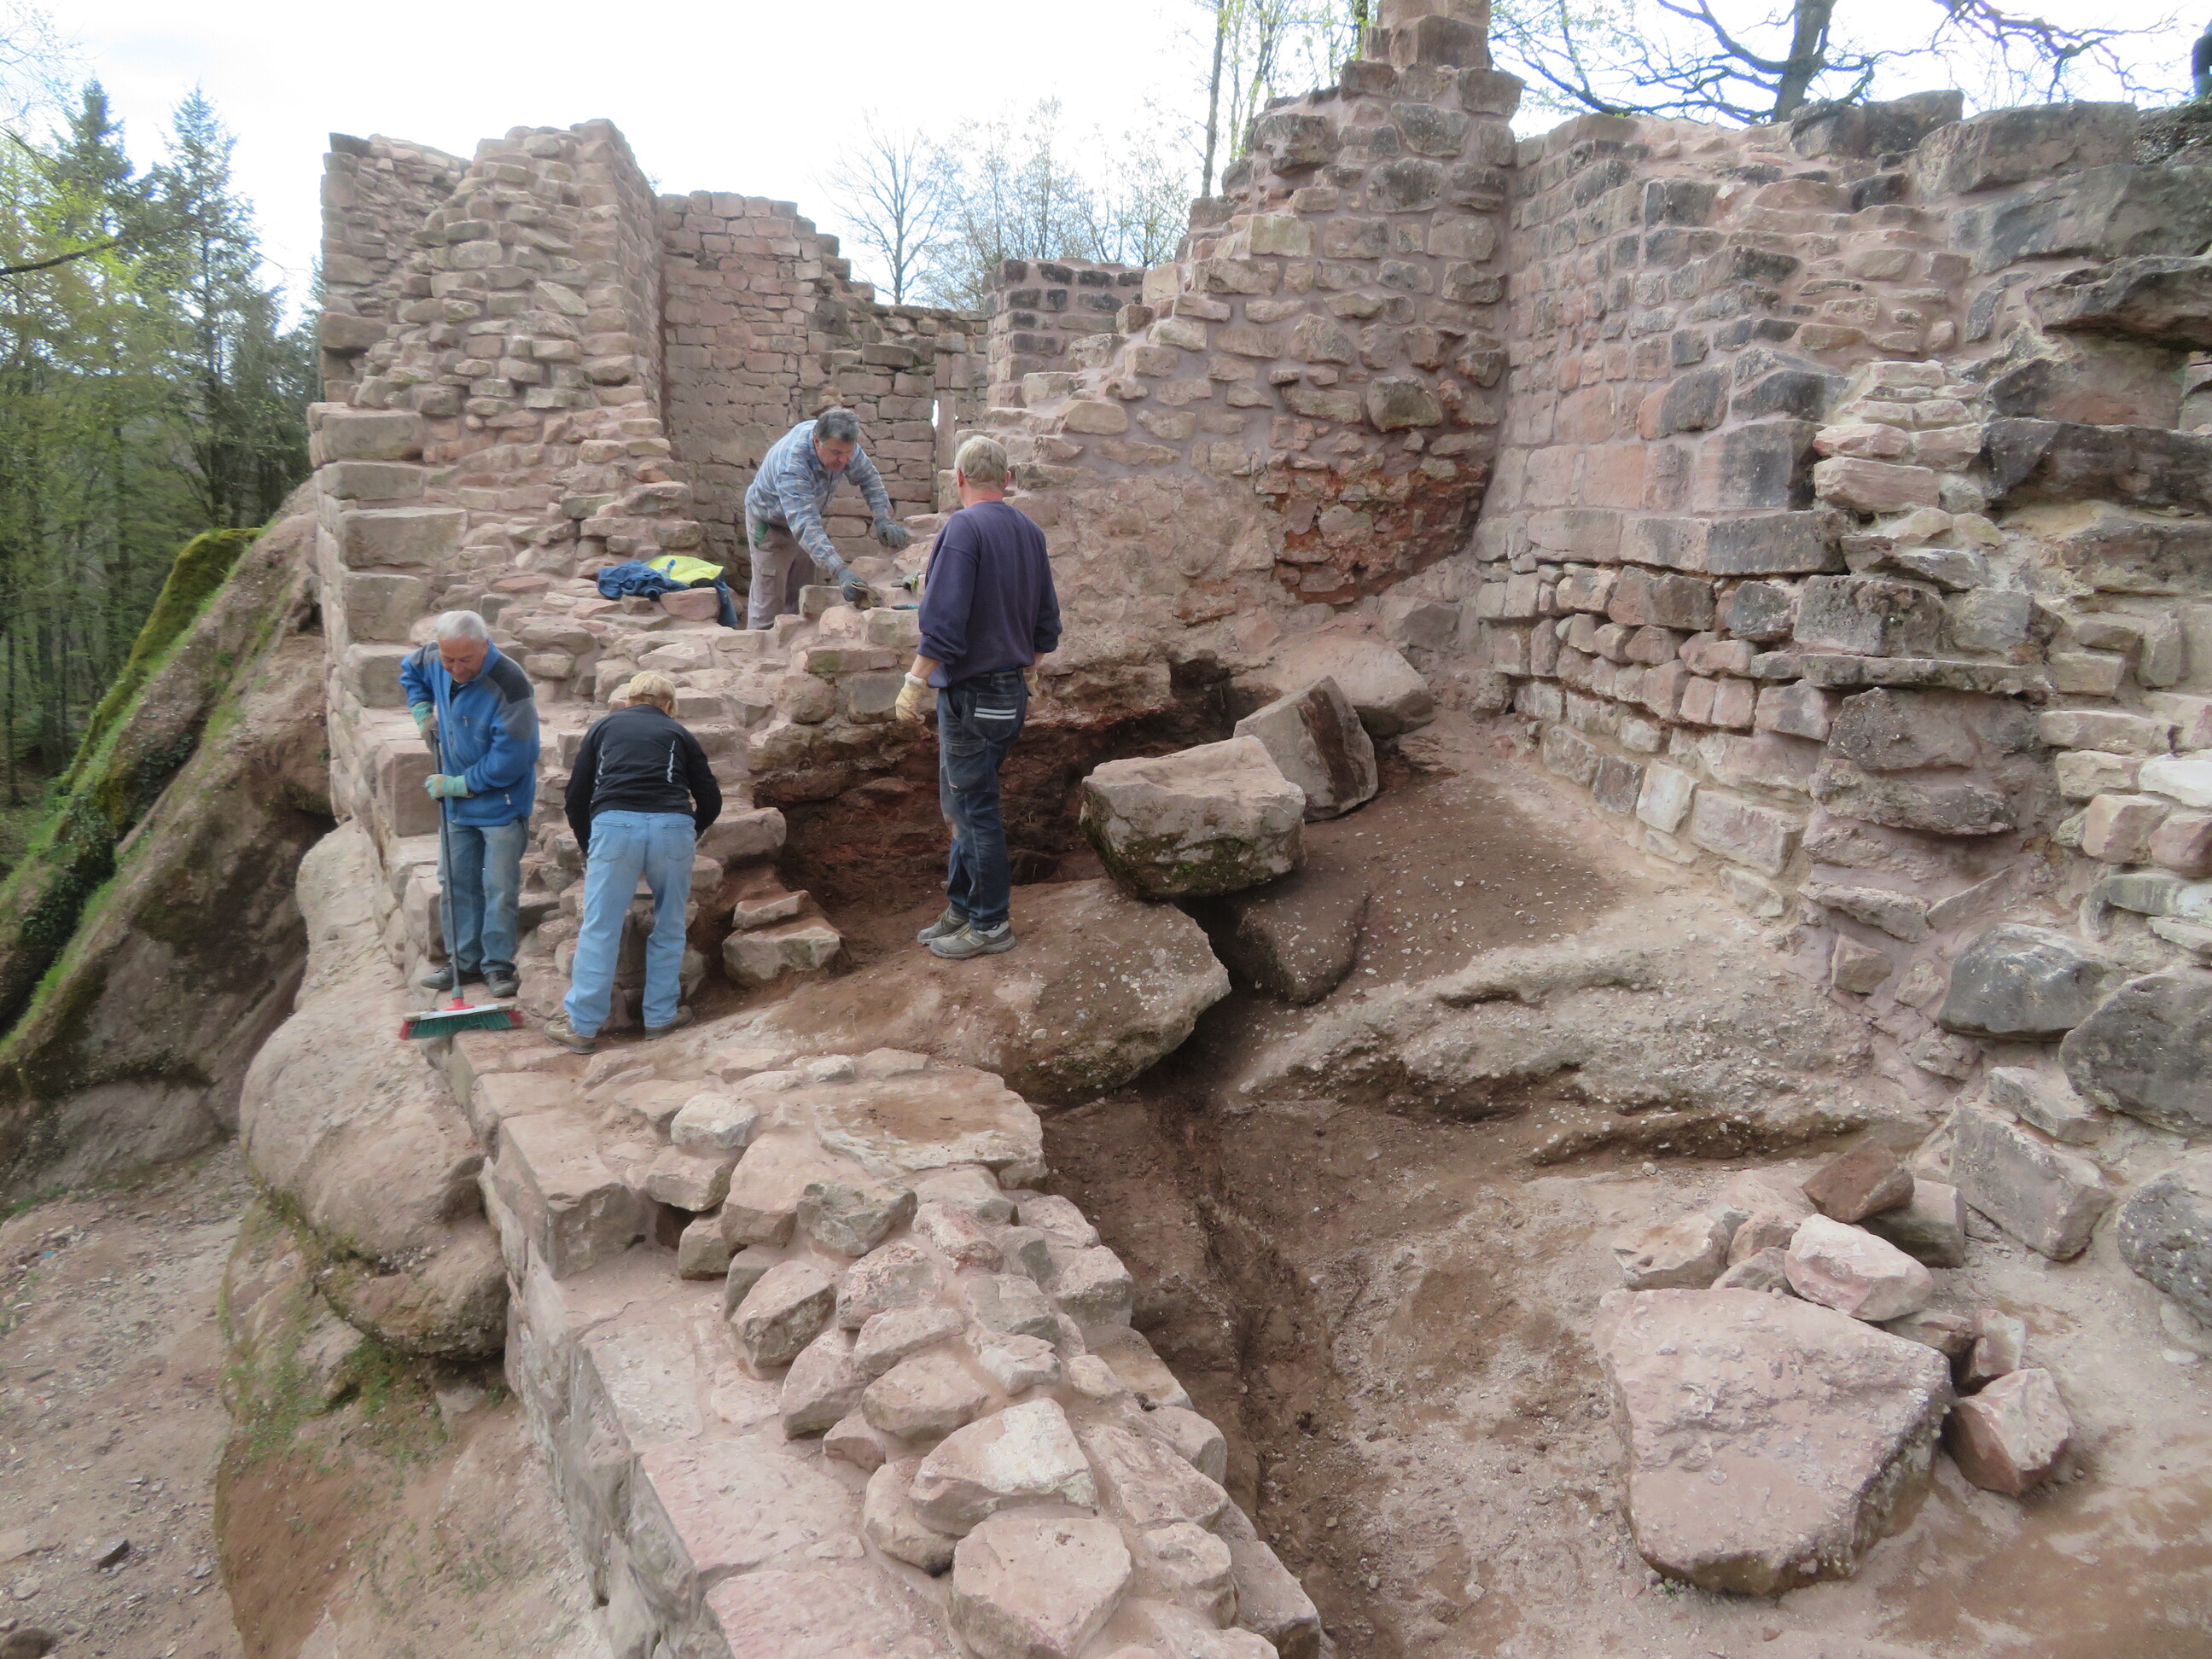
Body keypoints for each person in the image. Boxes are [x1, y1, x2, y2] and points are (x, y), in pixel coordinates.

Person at [894, 434, 1061, 960]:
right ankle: (963, 909)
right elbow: (1047, 622)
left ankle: (991, 924)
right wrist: (1030, 671)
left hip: (974, 692)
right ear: (1006, 480)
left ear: (958, 478)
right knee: (961, 803)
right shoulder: (1029, 532)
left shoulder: (964, 528)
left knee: (973, 809)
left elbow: (944, 622)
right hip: (1008, 691)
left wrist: (914, 681)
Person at [543, 672, 722, 1055]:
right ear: (669, 706)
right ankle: (660, 1017)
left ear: (628, 701)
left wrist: (589, 843)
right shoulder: (679, 734)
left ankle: (583, 1026)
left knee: (600, 926)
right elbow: (711, 799)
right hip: (672, 827)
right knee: (670, 922)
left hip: (615, 826)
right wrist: (690, 830)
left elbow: (576, 795)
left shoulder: (604, 727)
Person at [399, 611, 539, 1000]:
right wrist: (421, 709)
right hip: (457, 808)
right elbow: (411, 671)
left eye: (466, 660)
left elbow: (514, 758)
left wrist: (460, 784)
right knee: (455, 882)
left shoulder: (511, 685)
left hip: (501, 805)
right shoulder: (435, 657)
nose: (456, 669)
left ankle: (497, 965)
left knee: (499, 888)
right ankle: (463, 962)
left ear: (485, 646)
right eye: (449, 660)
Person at [742, 405, 913, 628]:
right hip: (771, 526)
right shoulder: (792, 464)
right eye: (836, 453)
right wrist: (841, 571)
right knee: (769, 602)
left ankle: (791, 646)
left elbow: (869, 478)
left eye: (848, 452)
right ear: (817, 441)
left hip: (804, 519)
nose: (844, 460)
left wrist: (882, 517)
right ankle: (758, 644)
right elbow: (806, 525)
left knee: (801, 596)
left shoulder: (843, 445)